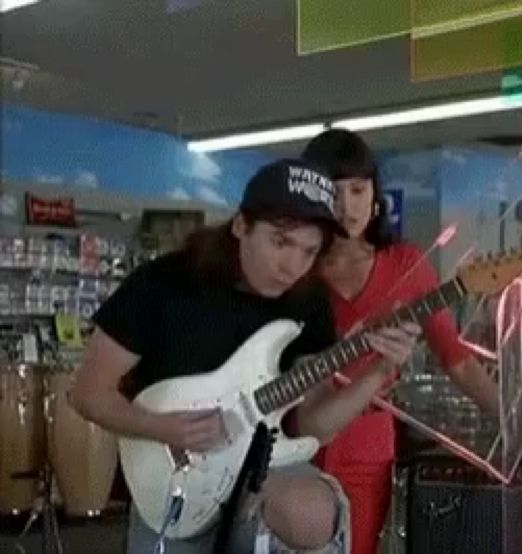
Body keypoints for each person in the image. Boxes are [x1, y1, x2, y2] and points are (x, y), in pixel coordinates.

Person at [70, 158, 421, 553]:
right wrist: (161, 428)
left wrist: (378, 372)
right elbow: (87, 394)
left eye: (309, 251)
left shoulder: (307, 300)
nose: (292, 266)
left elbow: (315, 425)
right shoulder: (163, 283)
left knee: (311, 513)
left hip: (264, 467)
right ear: (241, 226)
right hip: (174, 472)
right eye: (280, 242)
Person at [301, 129, 504, 554]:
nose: (346, 205)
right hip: (290, 439)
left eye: (358, 189)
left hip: (367, 446)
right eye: (333, 191)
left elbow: (457, 360)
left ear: (375, 195)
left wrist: (517, 425)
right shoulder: (294, 267)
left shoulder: (406, 265)